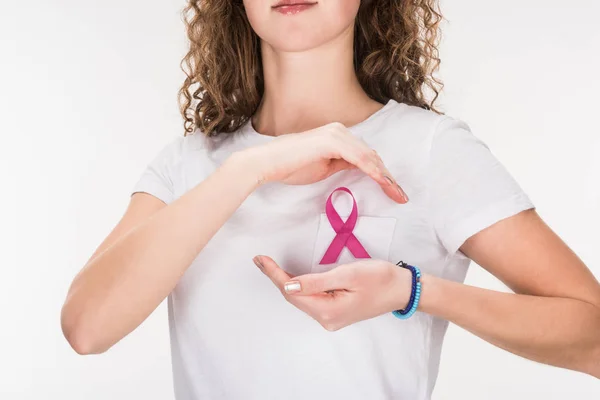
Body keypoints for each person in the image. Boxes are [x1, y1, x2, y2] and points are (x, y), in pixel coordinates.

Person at [60, 1, 600, 399]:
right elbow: (87, 329)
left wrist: (411, 290)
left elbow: (593, 337)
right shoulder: (189, 166)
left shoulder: (430, 150)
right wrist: (250, 167)